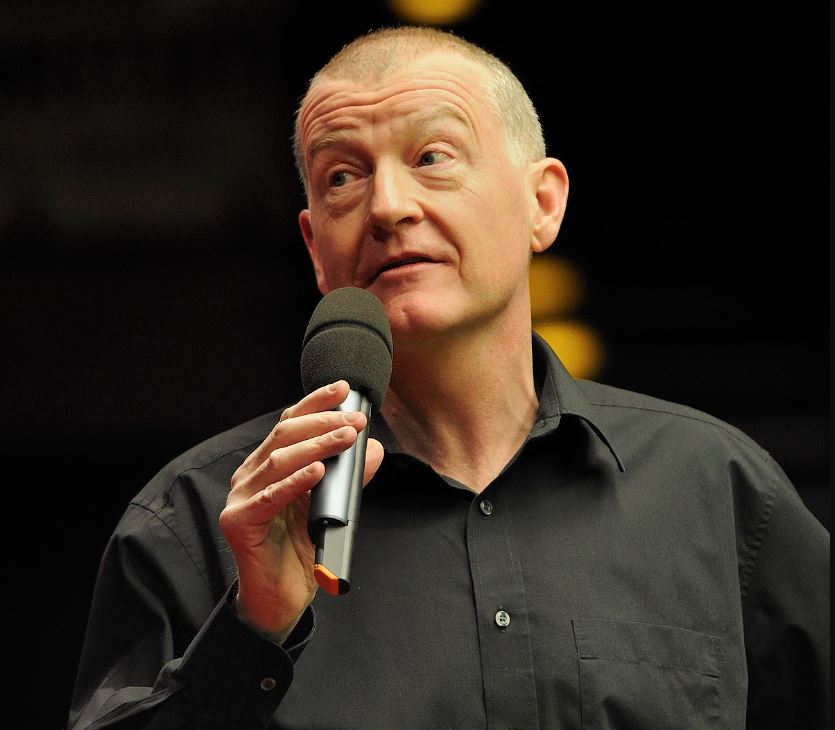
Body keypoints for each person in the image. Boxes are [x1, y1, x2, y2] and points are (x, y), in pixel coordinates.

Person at [68, 25, 829, 730]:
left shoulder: (714, 491)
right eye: (342, 177)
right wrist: (250, 635)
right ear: (314, 247)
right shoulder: (203, 521)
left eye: (432, 157)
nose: (387, 206)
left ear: (542, 203)